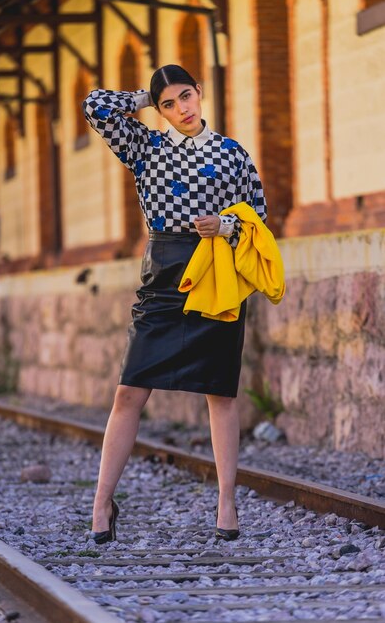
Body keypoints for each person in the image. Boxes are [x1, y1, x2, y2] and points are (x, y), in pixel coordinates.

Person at [83, 64, 267, 543]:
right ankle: (102, 504)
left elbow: (260, 223)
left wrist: (226, 228)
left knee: (220, 393)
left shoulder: (233, 155)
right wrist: (144, 98)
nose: (182, 109)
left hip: (216, 275)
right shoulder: (146, 146)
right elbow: (95, 106)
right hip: (162, 277)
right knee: (129, 392)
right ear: (158, 108)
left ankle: (227, 503)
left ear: (200, 93)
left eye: (186, 96)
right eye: (169, 103)